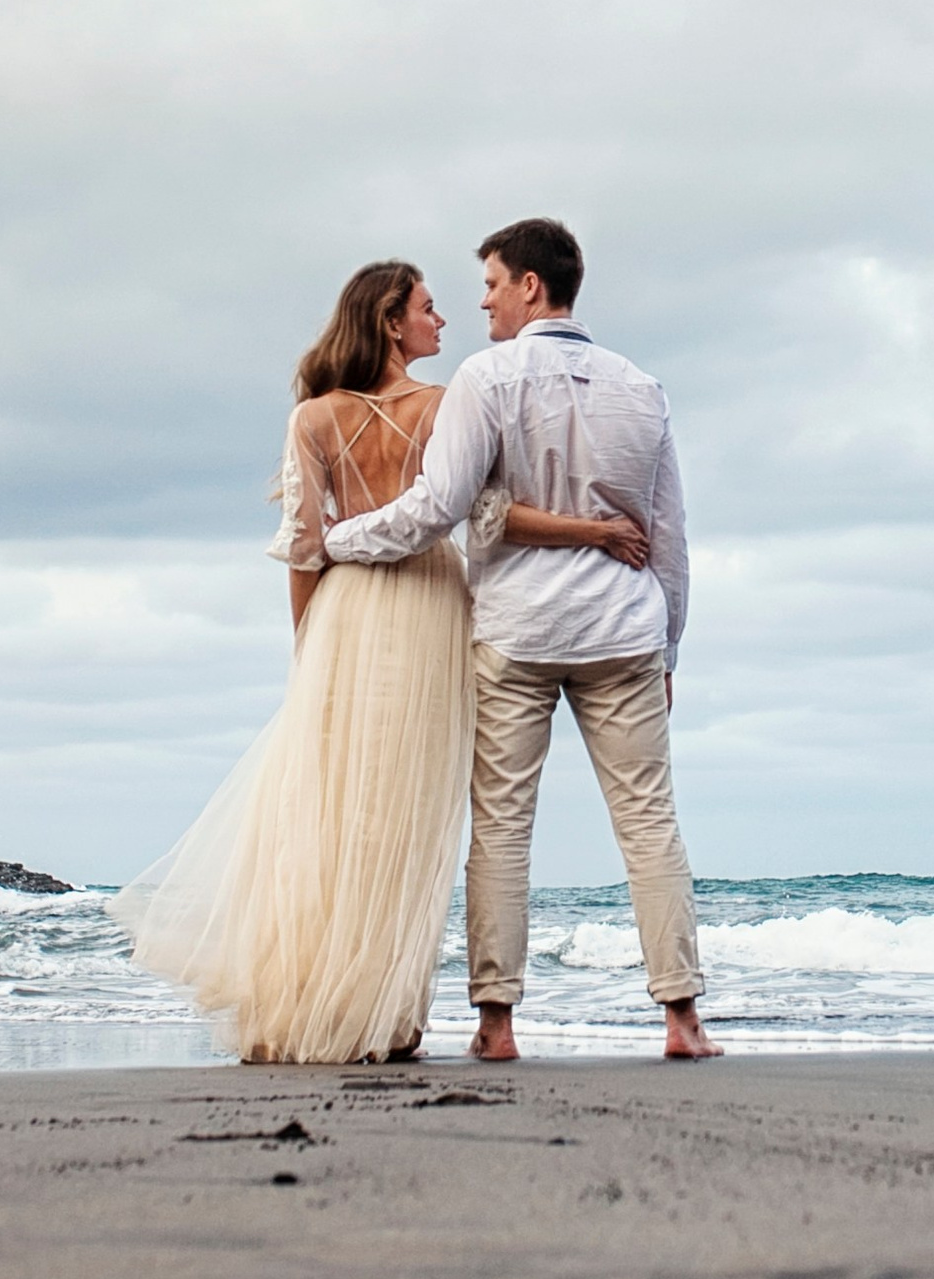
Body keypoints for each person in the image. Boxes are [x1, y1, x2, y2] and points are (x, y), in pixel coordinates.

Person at [114, 259, 639, 1065]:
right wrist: (595, 531)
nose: (443, 320)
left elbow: (301, 545)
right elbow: (490, 518)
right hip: (431, 605)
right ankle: (388, 1015)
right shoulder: (446, 406)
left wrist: (307, 647)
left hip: (344, 611)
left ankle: (320, 1003)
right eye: (428, 309)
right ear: (392, 322)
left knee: (331, 814)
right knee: (411, 817)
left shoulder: (313, 420)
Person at [322, 217, 717, 1061]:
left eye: (494, 284)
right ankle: (682, 1019)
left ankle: (496, 1024)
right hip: (623, 631)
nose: (485, 303)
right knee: (649, 822)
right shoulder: (641, 387)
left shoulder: (488, 377)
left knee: (501, 826)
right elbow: (672, 537)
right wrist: (672, 646)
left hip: (519, 632)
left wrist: (339, 542)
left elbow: (438, 506)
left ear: (531, 286)